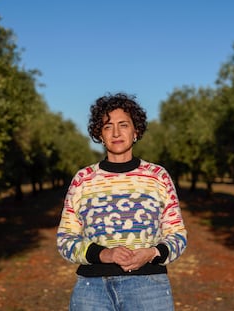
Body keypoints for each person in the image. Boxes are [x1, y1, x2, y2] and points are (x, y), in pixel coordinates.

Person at [57, 92, 187, 311]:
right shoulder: (83, 179)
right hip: (92, 290)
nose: (116, 132)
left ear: (136, 131)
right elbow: (65, 239)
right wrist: (103, 254)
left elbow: (178, 235)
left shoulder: (158, 176)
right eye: (107, 126)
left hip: (148, 289)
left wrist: (152, 253)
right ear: (100, 134)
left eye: (123, 125)